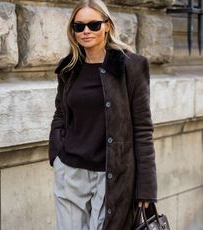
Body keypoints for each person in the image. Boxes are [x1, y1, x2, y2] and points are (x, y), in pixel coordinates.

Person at [49, 0, 157, 229]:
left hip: (111, 176)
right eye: (79, 26)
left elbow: (143, 129)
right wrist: (56, 153)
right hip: (70, 172)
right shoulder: (69, 68)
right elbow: (60, 113)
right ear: (73, 31)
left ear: (107, 26)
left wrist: (146, 188)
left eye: (93, 25)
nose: (86, 31)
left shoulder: (131, 67)